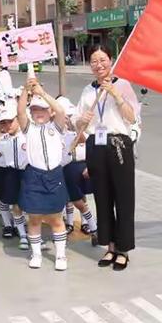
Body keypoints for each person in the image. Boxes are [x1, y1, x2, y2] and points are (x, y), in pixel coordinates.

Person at [74, 45, 139, 271]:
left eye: (103, 59)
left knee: (123, 198)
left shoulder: (123, 85)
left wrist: (116, 95)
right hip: (95, 146)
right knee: (102, 198)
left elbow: (131, 117)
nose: (99, 64)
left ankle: (123, 250)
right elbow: (77, 123)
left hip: (119, 144)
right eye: (94, 61)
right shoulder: (87, 91)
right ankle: (110, 247)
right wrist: (83, 119)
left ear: (111, 61)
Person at [17, 78, 68, 271]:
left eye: (43, 110)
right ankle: (36, 254)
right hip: (34, 176)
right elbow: (20, 111)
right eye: (35, 110)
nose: (39, 113)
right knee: (35, 218)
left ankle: (61, 255)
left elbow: (61, 111)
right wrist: (26, 90)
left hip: (54, 176)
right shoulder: (28, 128)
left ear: (50, 112)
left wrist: (42, 93)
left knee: (56, 219)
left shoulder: (56, 127)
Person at [57, 96, 98, 246]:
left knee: (79, 200)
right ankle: (65, 227)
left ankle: (91, 226)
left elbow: (89, 145)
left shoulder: (76, 130)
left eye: (68, 116)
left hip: (76, 167)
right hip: (59, 168)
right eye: (64, 116)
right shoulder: (53, 131)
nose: (66, 119)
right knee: (63, 201)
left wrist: (90, 165)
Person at [0, 108, 29, 248]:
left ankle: (34, 234)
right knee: (15, 205)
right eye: (3, 123)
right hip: (11, 173)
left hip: (28, 173)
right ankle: (22, 234)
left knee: (31, 205)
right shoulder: (4, 139)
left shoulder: (28, 135)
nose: (7, 126)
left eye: (10, 122)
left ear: (17, 120)